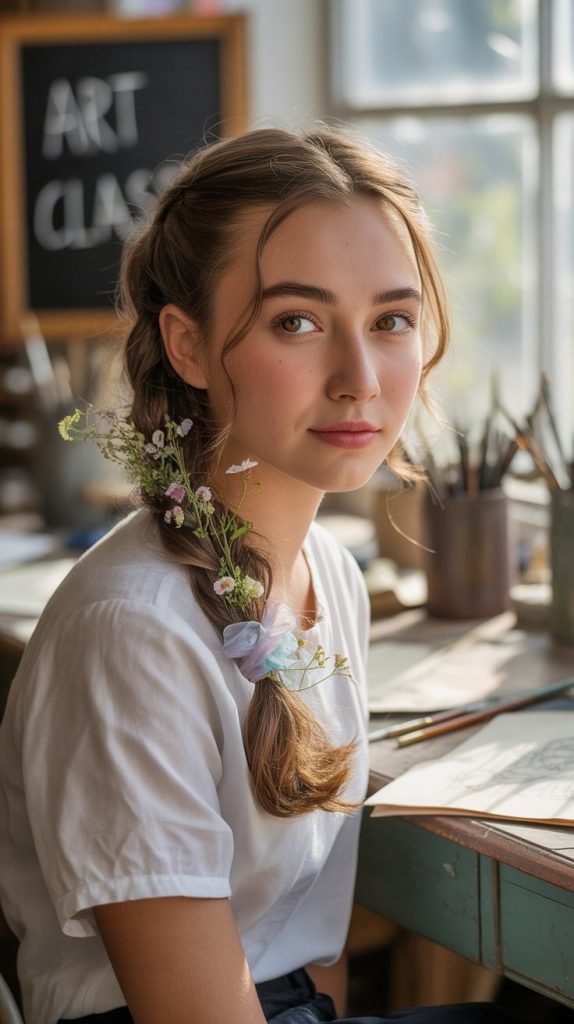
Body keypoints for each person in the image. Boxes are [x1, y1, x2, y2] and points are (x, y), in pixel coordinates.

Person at [0, 127, 520, 1024]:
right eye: (298, 322)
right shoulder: (133, 631)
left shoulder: (328, 571)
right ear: (189, 347)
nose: (360, 378)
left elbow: (309, 950)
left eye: (391, 320)